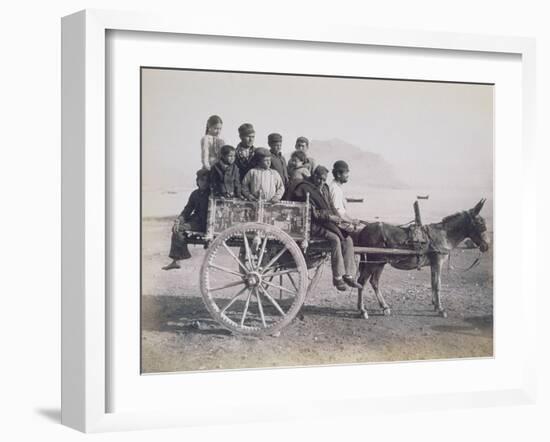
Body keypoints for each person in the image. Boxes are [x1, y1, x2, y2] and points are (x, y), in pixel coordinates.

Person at [290, 166, 361, 291]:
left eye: (324, 180)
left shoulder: (325, 188)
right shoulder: (305, 188)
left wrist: (341, 218)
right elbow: (312, 213)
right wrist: (330, 218)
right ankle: (337, 277)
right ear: (315, 176)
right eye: (320, 179)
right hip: (312, 225)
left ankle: (348, 275)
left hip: (326, 222)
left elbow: (331, 206)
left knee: (348, 239)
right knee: (335, 239)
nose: (322, 182)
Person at [162, 169, 211, 270]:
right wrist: (179, 219)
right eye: (202, 180)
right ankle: (176, 260)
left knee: (179, 229)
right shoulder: (195, 194)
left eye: (206, 180)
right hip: (196, 221)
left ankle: (178, 259)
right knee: (176, 228)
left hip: (206, 223)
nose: (204, 183)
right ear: (197, 181)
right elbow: (187, 210)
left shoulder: (212, 194)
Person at [329, 160, 362, 227]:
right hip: (336, 225)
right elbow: (338, 214)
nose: (348, 175)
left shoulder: (337, 187)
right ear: (338, 174)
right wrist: (352, 221)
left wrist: (352, 220)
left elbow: (342, 213)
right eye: (346, 172)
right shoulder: (335, 189)